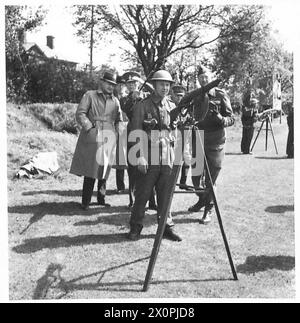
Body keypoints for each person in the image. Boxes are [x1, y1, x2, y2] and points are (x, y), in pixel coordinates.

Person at [127, 70, 182, 242]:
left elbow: (175, 130)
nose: (165, 88)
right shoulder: (142, 105)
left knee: (166, 194)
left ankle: (166, 226)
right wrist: (140, 157)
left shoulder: (172, 106)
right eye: (161, 84)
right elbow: (136, 133)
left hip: (167, 156)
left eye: (167, 85)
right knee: (143, 194)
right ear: (154, 85)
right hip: (148, 156)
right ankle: (136, 227)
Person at [188, 65, 235, 224]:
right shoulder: (195, 96)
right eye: (201, 78)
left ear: (211, 77)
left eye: (206, 77)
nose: (203, 80)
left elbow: (231, 118)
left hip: (216, 141)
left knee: (210, 179)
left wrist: (221, 119)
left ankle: (208, 209)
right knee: (195, 178)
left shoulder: (220, 95)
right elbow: (189, 113)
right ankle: (202, 199)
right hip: (199, 138)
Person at [70, 71, 122, 210]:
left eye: (113, 84)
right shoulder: (90, 95)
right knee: (91, 169)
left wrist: (117, 133)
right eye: (108, 83)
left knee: (105, 168)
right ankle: (85, 201)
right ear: (102, 82)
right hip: (93, 135)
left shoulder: (115, 100)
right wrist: (90, 127)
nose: (111, 87)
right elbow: (80, 113)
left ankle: (101, 199)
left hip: (109, 136)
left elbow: (119, 119)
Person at [120, 71, 157, 209]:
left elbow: (156, 92)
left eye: (134, 83)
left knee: (152, 167)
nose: (132, 86)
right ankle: (133, 200)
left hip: (148, 135)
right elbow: (126, 109)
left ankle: (152, 201)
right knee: (134, 169)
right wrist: (133, 98)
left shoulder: (147, 95)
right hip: (133, 135)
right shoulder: (124, 99)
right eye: (129, 84)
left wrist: (143, 83)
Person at [170, 84, 192, 190]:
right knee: (173, 160)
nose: (179, 98)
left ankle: (183, 182)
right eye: (177, 95)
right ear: (172, 96)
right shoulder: (169, 105)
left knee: (187, 159)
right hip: (172, 136)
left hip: (185, 136)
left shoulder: (187, 107)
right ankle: (170, 183)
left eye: (181, 95)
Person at [114, 75, 128, 194]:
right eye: (119, 84)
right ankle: (120, 186)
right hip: (116, 128)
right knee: (119, 158)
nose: (121, 87)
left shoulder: (128, 98)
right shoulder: (113, 98)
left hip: (128, 128)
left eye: (123, 85)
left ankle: (132, 186)